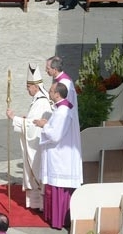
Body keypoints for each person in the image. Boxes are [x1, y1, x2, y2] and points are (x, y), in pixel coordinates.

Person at [34, 82, 83, 229]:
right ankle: (55, 218)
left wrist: (44, 125)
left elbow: (55, 135)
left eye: (51, 91)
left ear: (57, 94)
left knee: (59, 189)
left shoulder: (63, 111)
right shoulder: (62, 108)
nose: (49, 93)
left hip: (60, 157)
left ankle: (59, 220)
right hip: (60, 155)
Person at [6, 64, 52, 210]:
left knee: (36, 170)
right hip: (38, 140)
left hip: (37, 143)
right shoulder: (40, 99)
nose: (27, 89)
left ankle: (40, 205)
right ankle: (36, 203)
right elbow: (33, 120)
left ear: (35, 86)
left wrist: (14, 118)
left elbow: (32, 126)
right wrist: (25, 119)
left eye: (28, 86)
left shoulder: (42, 101)